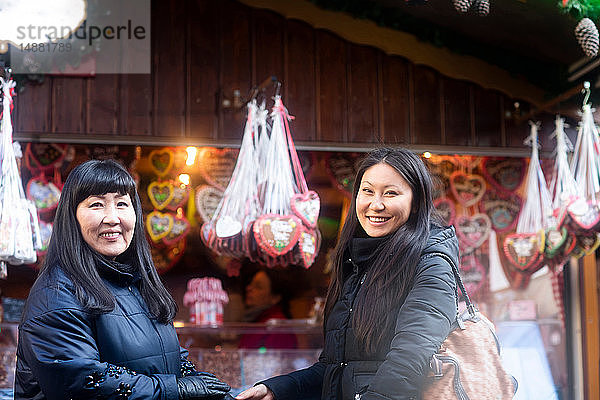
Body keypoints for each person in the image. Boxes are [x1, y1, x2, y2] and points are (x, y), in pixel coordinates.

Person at [236, 147, 459, 400]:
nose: (376, 204)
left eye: (391, 193)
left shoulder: (431, 261)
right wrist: (277, 389)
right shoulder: (356, 262)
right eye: (367, 191)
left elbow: (409, 361)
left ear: (416, 201)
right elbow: (335, 369)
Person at [14, 159, 232, 400]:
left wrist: (207, 389)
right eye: (96, 204)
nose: (112, 218)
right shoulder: (56, 293)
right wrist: (178, 389)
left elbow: (170, 359)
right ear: (71, 217)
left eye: (121, 204)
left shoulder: (136, 283)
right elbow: (84, 383)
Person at [239, 269, 297, 349]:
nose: (249, 288)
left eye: (258, 287)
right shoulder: (257, 320)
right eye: (250, 284)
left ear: (275, 298)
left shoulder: (277, 327)